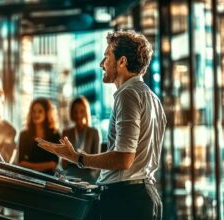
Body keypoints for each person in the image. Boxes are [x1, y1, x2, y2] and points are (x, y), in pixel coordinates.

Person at [36, 31, 166, 220]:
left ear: (122, 62)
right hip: (146, 195)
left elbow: (124, 159)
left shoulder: (127, 95)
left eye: (106, 57)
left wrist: (78, 158)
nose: (101, 64)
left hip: (126, 200)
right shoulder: (153, 99)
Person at [61, 96, 100, 183]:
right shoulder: (66, 132)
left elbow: (96, 166)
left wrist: (78, 159)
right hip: (70, 173)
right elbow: (64, 164)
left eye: (81, 111)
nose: (78, 115)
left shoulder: (94, 132)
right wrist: (82, 159)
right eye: (75, 112)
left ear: (86, 112)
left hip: (88, 175)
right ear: (72, 113)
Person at [18, 98, 60, 174]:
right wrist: (44, 165)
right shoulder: (23, 135)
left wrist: (30, 166)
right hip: (27, 176)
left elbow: (54, 164)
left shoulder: (55, 135)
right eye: (33, 111)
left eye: (40, 111)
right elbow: (21, 162)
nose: (36, 114)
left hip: (48, 178)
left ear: (47, 113)